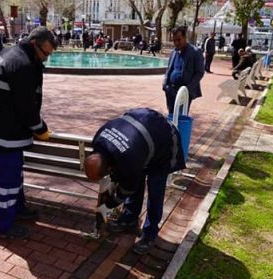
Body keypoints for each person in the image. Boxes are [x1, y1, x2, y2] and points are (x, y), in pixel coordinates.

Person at [0, 27, 57, 239]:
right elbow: (27, 108)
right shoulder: (24, 66)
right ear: (33, 44)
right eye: (45, 53)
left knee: (14, 175)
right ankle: (2, 227)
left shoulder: (8, 53)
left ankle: (17, 208)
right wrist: (41, 129)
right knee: (6, 184)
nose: (46, 59)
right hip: (4, 134)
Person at [84, 108, 186, 254]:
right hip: (142, 137)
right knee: (133, 176)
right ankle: (129, 218)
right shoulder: (99, 140)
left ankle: (149, 233)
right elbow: (123, 174)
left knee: (155, 190)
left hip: (164, 142)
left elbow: (127, 187)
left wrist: (108, 205)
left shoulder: (128, 158)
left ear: (108, 167)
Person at [162, 26, 204, 115]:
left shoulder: (195, 52)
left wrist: (188, 89)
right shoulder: (174, 51)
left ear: (185, 38)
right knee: (171, 114)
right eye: (174, 40)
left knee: (180, 117)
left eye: (179, 40)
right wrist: (165, 83)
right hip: (170, 90)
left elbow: (199, 73)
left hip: (184, 92)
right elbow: (169, 68)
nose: (176, 43)